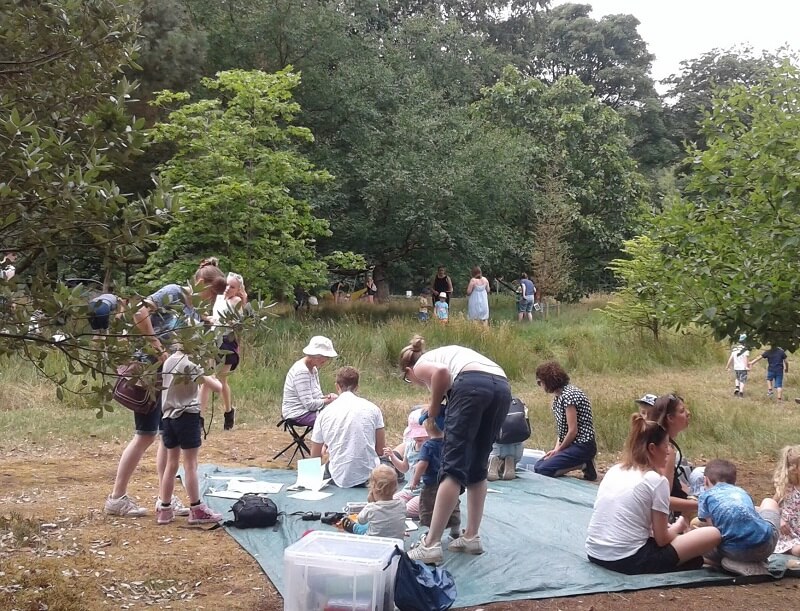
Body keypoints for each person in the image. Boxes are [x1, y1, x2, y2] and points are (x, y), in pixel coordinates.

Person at [104, 259, 227, 517]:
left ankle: (165, 500)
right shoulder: (172, 292)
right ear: (200, 282)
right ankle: (116, 498)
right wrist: (158, 350)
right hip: (149, 373)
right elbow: (139, 312)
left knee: (164, 439)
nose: (209, 299)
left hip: (168, 381)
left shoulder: (192, 311)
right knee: (145, 434)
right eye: (209, 293)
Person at [400, 335, 511, 565]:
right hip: (501, 386)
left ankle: (430, 545)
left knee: (452, 467)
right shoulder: (450, 353)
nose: (417, 382)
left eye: (410, 380)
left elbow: (440, 373)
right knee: (478, 465)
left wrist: (432, 408)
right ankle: (471, 536)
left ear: (409, 371)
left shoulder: (422, 365)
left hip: (472, 384)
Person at [585, 414, 721, 575]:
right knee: (713, 534)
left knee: (687, 548)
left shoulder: (615, 469)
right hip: (626, 560)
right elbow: (662, 539)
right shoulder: (656, 480)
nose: (669, 453)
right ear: (652, 448)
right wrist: (679, 525)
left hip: (595, 553)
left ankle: (694, 559)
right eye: (666, 446)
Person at [157, 345, 224, 525]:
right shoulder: (191, 364)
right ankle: (196, 508)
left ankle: (164, 509)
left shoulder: (168, 361)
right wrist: (211, 376)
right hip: (187, 417)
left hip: (168, 417)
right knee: (190, 464)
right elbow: (217, 387)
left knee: (171, 464)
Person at [695, 459, 780, 575]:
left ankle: (728, 562)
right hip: (765, 546)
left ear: (705, 480)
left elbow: (713, 532)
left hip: (732, 551)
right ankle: (752, 561)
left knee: (699, 544)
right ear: (734, 482)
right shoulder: (742, 492)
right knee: (770, 502)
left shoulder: (705, 496)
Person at [309, 366, 385, 488]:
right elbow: (380, 450)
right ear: (357, 386)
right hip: (369, 475)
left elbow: (314, 457)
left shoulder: (324, 413)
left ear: (337, 386)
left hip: (337, 475)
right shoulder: (373, 409)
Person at [533, 361, 597, 481]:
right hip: (571, 445)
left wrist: (559, 450)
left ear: (547, 380)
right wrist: (556, 450)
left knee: (543, 470)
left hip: (582, 446)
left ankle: (584, 464)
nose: (540, 386)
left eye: (539, 382)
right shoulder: (559, 397)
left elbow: (572, 430)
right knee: (538, 466)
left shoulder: (568, 396)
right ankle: (579, 463)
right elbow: (562, 430)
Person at [200, 272, 247, 430]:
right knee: (206, 379)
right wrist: (207, 319)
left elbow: (239, 324)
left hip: (227, 342)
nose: (228, 288)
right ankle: (199, 418)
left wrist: (243, 300)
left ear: (238, 289)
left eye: (232, 287)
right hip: (212, 339)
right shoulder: (219, 297)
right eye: (226, 285)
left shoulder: (237, 301)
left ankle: (228, 412)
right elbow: (209, 315)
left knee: (221, 380)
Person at [412, 416, 462, 540]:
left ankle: (433, 534)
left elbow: (423, 464)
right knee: (453, 505)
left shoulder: (428, 445)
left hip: (432, 484)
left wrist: (415, 479)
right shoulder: (451, 443)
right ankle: (455, 530)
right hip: (450, 480)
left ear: (426, 427)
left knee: (430, 507)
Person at [281, 336, 338, 428]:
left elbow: (316, 396)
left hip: (307, 410)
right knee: (333, 420)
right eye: (325, 357)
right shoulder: (301, 372)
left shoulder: (313, 368)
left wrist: (327, 397)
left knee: (339, 414)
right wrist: (327, 401)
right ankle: (321, 442)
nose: (326, 360)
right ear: (316, 355)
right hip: (297, 413)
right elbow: (309, 405)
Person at [340, 464, 406, 539]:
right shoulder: (402, 504)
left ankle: (353, 527)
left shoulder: (371, 507)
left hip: (373, 542)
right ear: (395, 488)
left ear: (373, 488)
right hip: (396, 542)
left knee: (362, 527)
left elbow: (360, 520)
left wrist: (371, 503)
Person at [385, 407, 428, 518]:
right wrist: (393, 456)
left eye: (422, 434)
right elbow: (404, 468)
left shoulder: (431, 447)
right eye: (415, 434)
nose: (418, 437)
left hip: (426, 491)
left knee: (407, 509)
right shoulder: (410, 446)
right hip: (410, 489)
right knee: (390, 502)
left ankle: (428, 508)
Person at [488, 397, 531, 481]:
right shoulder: (518, 403)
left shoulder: (490, 401)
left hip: (497, 447)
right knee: (515, 448)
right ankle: (510, 462)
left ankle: (493, 460)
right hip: (517, 448)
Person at [773, 445, 800, 558]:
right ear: (794, 469)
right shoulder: (787, 487)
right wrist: (779, 519)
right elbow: (771, 505)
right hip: (790, 535)